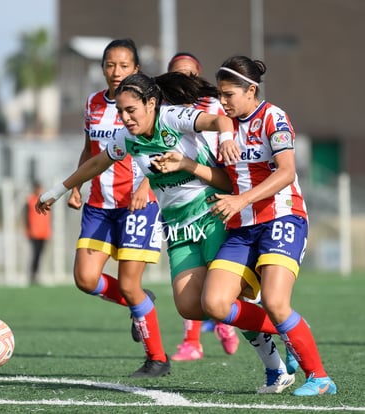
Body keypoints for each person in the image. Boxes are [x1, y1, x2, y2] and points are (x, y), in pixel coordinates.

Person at [36, 71, 293, 393]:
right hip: (178, 227)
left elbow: (220, 121)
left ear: (152, 103)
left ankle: (277, 367)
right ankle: (288, 329)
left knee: (223, 300)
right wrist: (59, 190)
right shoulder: (128, 138)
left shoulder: (173, 117)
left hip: (211, 214)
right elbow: (96, 163)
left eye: (131, 110)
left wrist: (227, 139)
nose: (125, 118)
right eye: (120, 112)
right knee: (189, 306)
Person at [154, 56, 337, 396]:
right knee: (216, 304)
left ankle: (320, 377)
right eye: (220, 95)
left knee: (275, 300)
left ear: (251, 90)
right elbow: (225, 178)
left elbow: (287, 172)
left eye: (229, 95)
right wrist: (188, 164)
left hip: (283, 219)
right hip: (242, 228)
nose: (223, 102)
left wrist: (241, 199)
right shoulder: (227, 127)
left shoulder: (273, 117)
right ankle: (289, 333)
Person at [65, 38, 169, 378]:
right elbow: (90, 150)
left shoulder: (148, 104)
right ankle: (141, 301)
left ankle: (157, 359)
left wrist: (146, 184)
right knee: (84, 278)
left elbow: (163, 148)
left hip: (137, 204)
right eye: (110, 65)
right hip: (99, 205)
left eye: (124, 65)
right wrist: (76, 185)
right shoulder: (94, 103)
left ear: (135, 69)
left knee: (128, 284)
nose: (115, 71)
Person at [166, 52, 240, 360]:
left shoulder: (214, 108)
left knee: (222, 278)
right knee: (190, 286)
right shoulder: (164, 113)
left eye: (191, 76)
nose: (185, 82)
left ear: (200, 78)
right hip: (183, 207)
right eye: (177, 76)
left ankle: (242, 322)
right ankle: (193, 340)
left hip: (220, 197)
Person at [24, 181, 52, 284]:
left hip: (44, 232)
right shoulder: (30, 201)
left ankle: (37, 273)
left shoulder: (46, 201)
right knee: (35, 254)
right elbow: (26, 217)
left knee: (40, 254)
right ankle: (32, 274)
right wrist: (28, 230)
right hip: (34, 232)